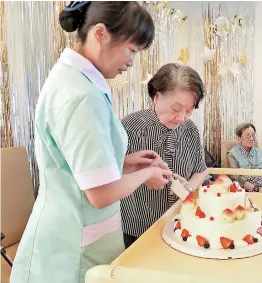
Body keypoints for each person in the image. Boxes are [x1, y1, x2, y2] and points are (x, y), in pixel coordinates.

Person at [9, 2, 173, 283]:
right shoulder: (81, 95)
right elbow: (100, 194)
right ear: (101, 34)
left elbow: (74, 165)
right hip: (69, 248)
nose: (132, 62)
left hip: (80, 233)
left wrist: (127, 163)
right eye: (131, 50)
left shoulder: (78, 81)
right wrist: (148, 173)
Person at [120, 63, 208, 248]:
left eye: (189, 111)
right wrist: (143, 176)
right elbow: (110, 175)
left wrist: (189, 186)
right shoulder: (129, 127)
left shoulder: (190, 129)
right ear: (157, 97)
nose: (182, 117)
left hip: (181, 225)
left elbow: (201, 171)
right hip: (136, 228)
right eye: (176, 109)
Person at [227, 123, 262, 193]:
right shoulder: (232, 154)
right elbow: (236, 178)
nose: (251, 138)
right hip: (247, 190)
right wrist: (258, 189)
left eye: (253, 135)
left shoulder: (259, 152)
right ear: (239, 138)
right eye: (248, 136)